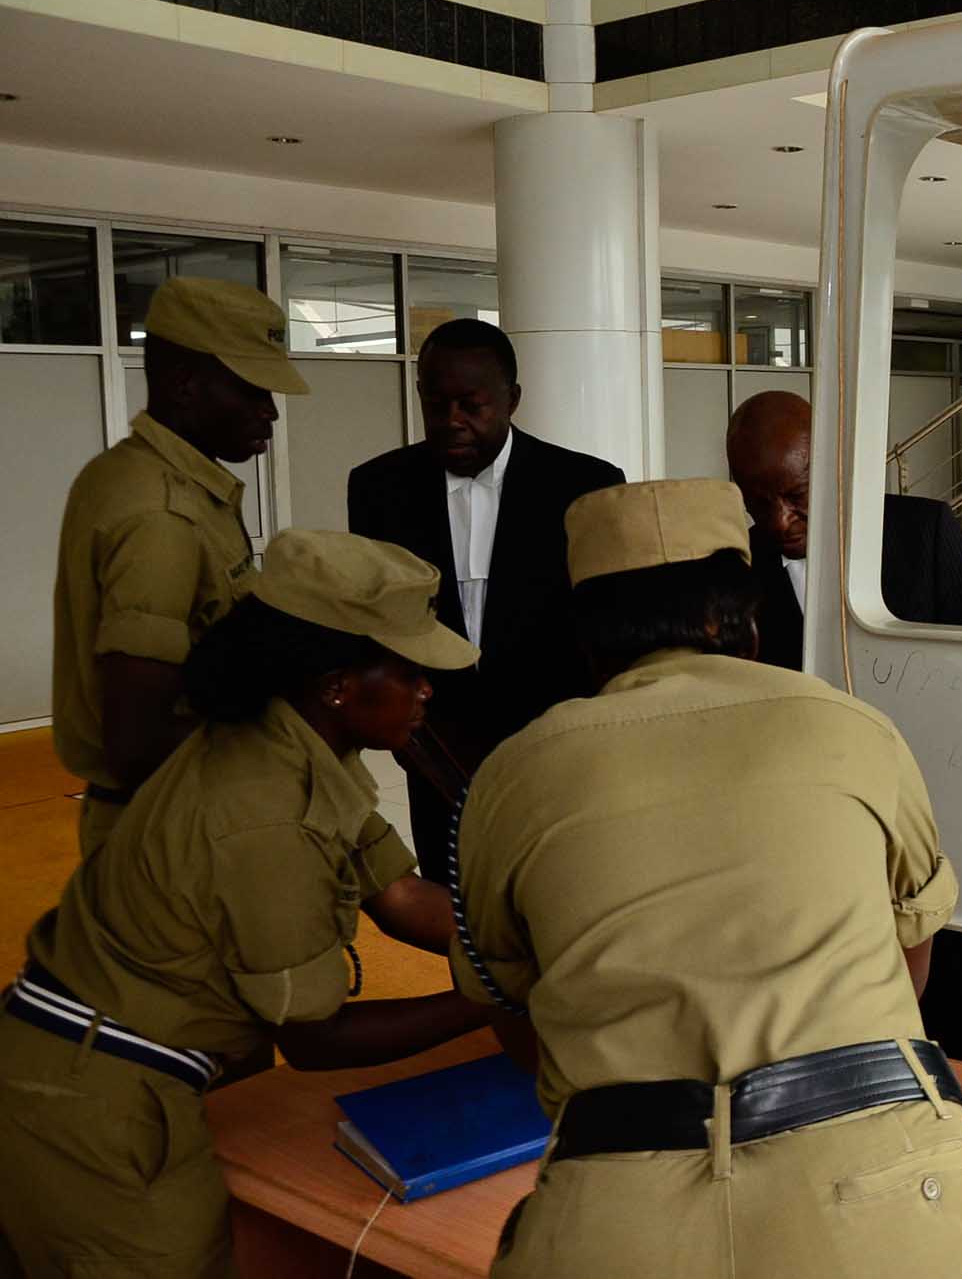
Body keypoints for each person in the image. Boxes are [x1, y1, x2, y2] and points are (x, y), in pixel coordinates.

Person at [448, 479, 962, 1278]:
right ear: (744, 618)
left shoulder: (510, 777)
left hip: (618, 1221)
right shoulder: (854, 727)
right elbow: (911, 961)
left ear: (585, 631)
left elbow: (515, 1017)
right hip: (900, 1204)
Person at [0, 531, 497, 1279]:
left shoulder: (295, 739)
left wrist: (526, 941)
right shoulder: (265, 815)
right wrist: (496, 993)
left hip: (93, 1063)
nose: (427, 689)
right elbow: (316, 1039)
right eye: (408, 670)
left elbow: (398, 894)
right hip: (89, 1097)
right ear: (337, 684)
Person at [725, 389, 962, 1072]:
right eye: (756, 501)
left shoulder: (922, 535)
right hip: (814, 886)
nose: (779, 521)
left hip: (949, 868)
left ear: (835, 465)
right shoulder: (734, 573)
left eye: (796, 496)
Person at [347, 319, 624, 879]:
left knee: (556, 887)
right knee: (456, 895)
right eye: (436, 404)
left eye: (472, 405)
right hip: (436, 747)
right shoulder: (379, 488)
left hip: (553, 742)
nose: (452, 421)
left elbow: (603, 622)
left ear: (512, 399)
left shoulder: (585, 485)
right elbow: (376, 621)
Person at [51, 276, 309, 856]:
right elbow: (138, 743)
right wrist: (292, 743)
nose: (269, 411)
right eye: (251, 390)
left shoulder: (128, 472)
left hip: (172, 811)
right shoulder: (161, 514)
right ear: (184, 383)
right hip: (169, 828)